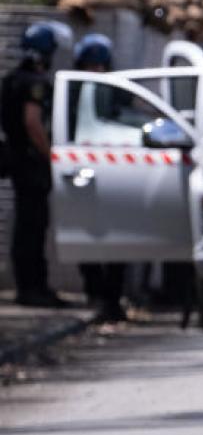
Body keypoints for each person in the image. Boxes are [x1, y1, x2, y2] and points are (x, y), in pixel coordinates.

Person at [3, 21, 70, 307]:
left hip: (17, 159)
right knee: (33, 226)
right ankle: (33, 288)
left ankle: (31, 286)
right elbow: (33, 122)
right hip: (31, 163)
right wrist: (50, 154)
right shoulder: (35, 84)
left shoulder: (12, 79)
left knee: (27, 226)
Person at [72, 34, 128, 322]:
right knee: (85, 234)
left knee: (120, 237)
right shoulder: (69, 90)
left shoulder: (116, 90)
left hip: (115, 172)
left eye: (99, 64)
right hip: (78, 172)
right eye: (89, 64)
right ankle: (97, 294)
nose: (95, 70)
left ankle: (112, 297)